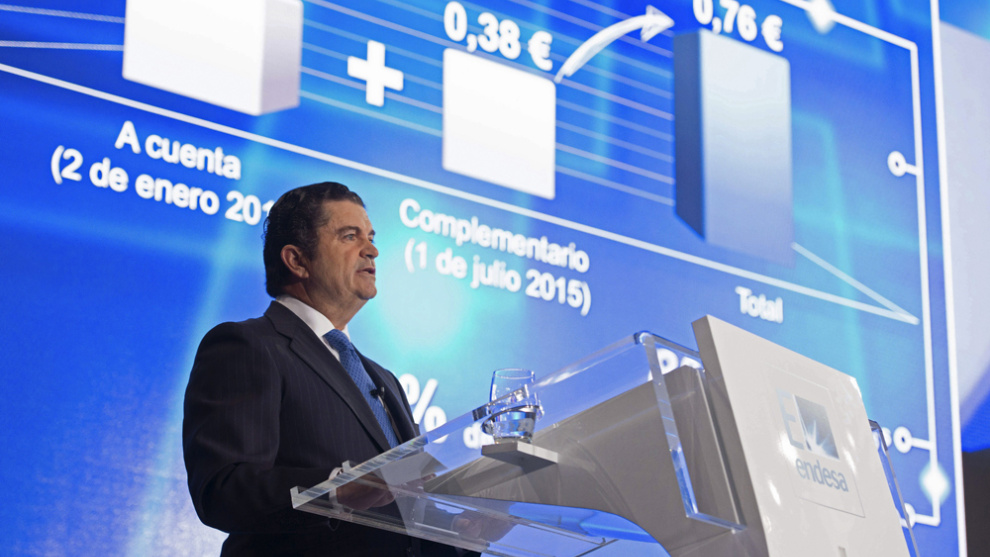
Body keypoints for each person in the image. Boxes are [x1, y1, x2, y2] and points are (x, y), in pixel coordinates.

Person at [183, 182, 462, 556]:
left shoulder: (384, 380)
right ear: (297, 260)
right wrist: (337, 490)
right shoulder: (247, 346)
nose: (372, 250)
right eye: (350, 236)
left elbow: (403, 511)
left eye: (371, 237)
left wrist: (461, 529)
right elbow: (223, 490)